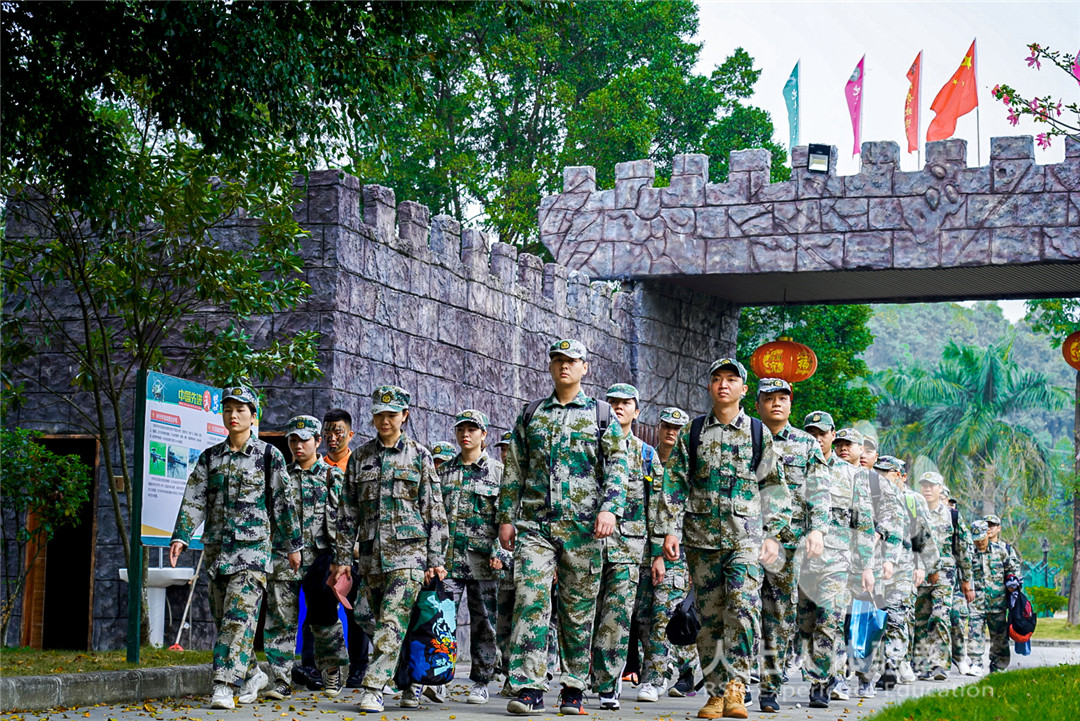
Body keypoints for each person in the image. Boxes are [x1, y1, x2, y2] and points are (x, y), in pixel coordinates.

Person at [497, 339, 629, 716]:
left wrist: (610, 510)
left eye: (571, 360)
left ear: (585, 367)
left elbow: (618, 467)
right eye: (557, 360)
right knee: (530, 600)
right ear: (551, 367)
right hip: (536, 526)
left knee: (577, 610)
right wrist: (506, 517)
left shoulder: (601, 415)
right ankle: (529, 686)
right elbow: (515, 468)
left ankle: (573, 686)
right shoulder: (532, 413)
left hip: (584, 530)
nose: (564, 366)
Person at [660, 358, 792, 720]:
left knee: (742, 609)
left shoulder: (757, 432)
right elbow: (675, 483)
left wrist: (773, 535)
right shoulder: (693, 432)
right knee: (709, 619)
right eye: (717, 379)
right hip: (701, 540)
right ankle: (715, 694)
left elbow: (775, 486)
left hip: (745, 540)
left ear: (743, 389)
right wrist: (669, 529)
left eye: (731, 379)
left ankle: (736, 688)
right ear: (709, 387)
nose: (723, 385)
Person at [169, 385, 301, 710]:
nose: (233, 415)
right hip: (218, 552)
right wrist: (181, 535)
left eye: (241, 409)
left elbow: (283, 503)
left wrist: (292, 545)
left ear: (253, 416)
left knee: (237, 619)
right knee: (224, 619)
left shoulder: (268, 456)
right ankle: (253, 673)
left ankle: (224, 685)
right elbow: (194, 498)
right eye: (228, 409)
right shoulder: (210, 457)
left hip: (253, 553)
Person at [332, 385, 448, 713]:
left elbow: (434, 510)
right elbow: (347, 512)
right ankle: (410, 678)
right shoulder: (360, 457)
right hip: (371, 557)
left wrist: (436, 559)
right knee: (367, 616)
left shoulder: (420, 456)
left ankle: (374, 687)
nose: (385, 420)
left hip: (409, 556)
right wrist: (342, 558)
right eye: (379, 414)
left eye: (392, 414)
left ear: (404, 416)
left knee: (392, 621)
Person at [753, 379, 828, 713]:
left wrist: (818, 530)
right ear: (757, 404)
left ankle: (769, 687)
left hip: (788, 544)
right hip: (743, 538)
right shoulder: (746, 437)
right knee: (739, 611)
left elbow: (819, 491)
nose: (776, 403)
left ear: (790, 404)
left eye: (782, 398)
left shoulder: (805, 444)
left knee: (779, 616)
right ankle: (733, 685)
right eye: (769, 398)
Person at [263, 415, 348, 700]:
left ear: (318, 441)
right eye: (293, 440)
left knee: (324, 619)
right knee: (280, 620)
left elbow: (342, 521)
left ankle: (332, 670)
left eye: (304, 440)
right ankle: (281, 679)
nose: (298, 445)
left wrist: (341, 560)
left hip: (319, 560)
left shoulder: (332, 476)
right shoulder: (281, 476)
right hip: (283, 557)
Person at [796, 412, 874, 709]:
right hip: (801, 560)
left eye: (822, 434)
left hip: (837, 561)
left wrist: (866, 566)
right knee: (805, 625)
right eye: (811, 433)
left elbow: (863, 523)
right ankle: (818, 672)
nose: (817, 439)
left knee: (829, 620)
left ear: (831, 435)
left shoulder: (852, 475)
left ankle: (819, 683)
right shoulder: (796, 467)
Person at [631, 406, 698, 701]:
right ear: (658, 428)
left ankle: (655, 679)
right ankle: (680, 668)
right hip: (640, 551)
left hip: (674, 554)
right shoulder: (645, 461)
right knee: (643, 617)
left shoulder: (690, 468)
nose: (671, 432)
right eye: (667, 426)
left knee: (666, 614)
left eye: (678, 428)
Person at [437, 409, 504, 705]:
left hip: (483, 561)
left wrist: (500, 552)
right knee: (442, 619)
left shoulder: (498, 472)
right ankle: (439, 677)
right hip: (448, 560)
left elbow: (507, 517)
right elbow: (434, 516)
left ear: (484, 434)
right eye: (461, 429)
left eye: (472, 429)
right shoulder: (443, 472)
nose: (466, 434)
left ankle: (481, 680)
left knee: (484, 622)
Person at [591, 384, 651, 710]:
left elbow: (658, 506)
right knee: (585, 613)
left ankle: (608, 682)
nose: (617, 407)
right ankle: (582, 676)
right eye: (612, 402)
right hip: (588, 544)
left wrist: (657, 553)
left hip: (628, 547)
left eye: (625, 403)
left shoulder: (646, 455)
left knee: (616, 616)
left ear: (636, 411)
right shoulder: (591, 445)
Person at [832, 428, 903, 700]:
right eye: (839, 444)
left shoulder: (876, 482)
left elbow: (892, 516)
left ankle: (865, 677)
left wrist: (886, 553)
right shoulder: (829, 474)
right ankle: (837, 678)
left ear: (861, 449)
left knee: (866, 622)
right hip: (835, 560)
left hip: (869, 562)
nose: (843, 449)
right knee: (834, 620)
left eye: (849, 444)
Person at [316, 408, 371, 691]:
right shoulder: (317, 468)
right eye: (327, 432)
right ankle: (317, 667)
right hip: (323, 553)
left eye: (338, 432)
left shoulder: (360, 465)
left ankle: (359, 667)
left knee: (357, 611)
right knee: (321, 609)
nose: (332, 437)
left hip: (356, 553)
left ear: (350, 434)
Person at [872, 456, 938, 690]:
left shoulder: (912, 500)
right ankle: (885, 662)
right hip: (875, 567)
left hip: (904, 566)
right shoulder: (872, 497)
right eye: (877, 473)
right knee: (878, 618)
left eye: (886, 473)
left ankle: (891, 665)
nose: (881, 478)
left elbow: (923, 535)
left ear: (900, 476)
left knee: (898, 615)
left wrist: (924, 566)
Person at [913, 472, 973, 681]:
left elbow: (962, 549)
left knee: (940, 615)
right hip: (920, 573)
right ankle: (921, 664)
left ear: (940, 488)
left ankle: (939, 663)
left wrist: (967, 579)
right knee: (920, 619)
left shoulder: (952, 516)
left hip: (945, 575)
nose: (927, 489)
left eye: (932, 485)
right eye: (924, 485)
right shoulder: (915, 514)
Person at [968, 520, 1020, 674]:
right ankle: (976, 663)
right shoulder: (969, 553)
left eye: (982, 539)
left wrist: (1012, 582)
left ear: (987, 535)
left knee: (999, 636)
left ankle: (999, 665)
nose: (980, 543)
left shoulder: (1001, 551)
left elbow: (1012, 570)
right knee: (975, 633)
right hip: (976, 601)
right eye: (976, 540)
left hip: (998, 601)